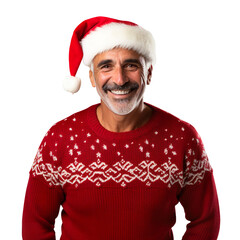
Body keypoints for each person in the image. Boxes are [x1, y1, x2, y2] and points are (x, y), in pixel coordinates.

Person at [22, 16, 220, 240]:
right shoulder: (60, 138)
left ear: (150, 73)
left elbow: (205, 219)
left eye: (131, 65)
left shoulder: (182, 138)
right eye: (106, 66)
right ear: (92, 77)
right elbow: (35, 224)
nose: (119, 78)